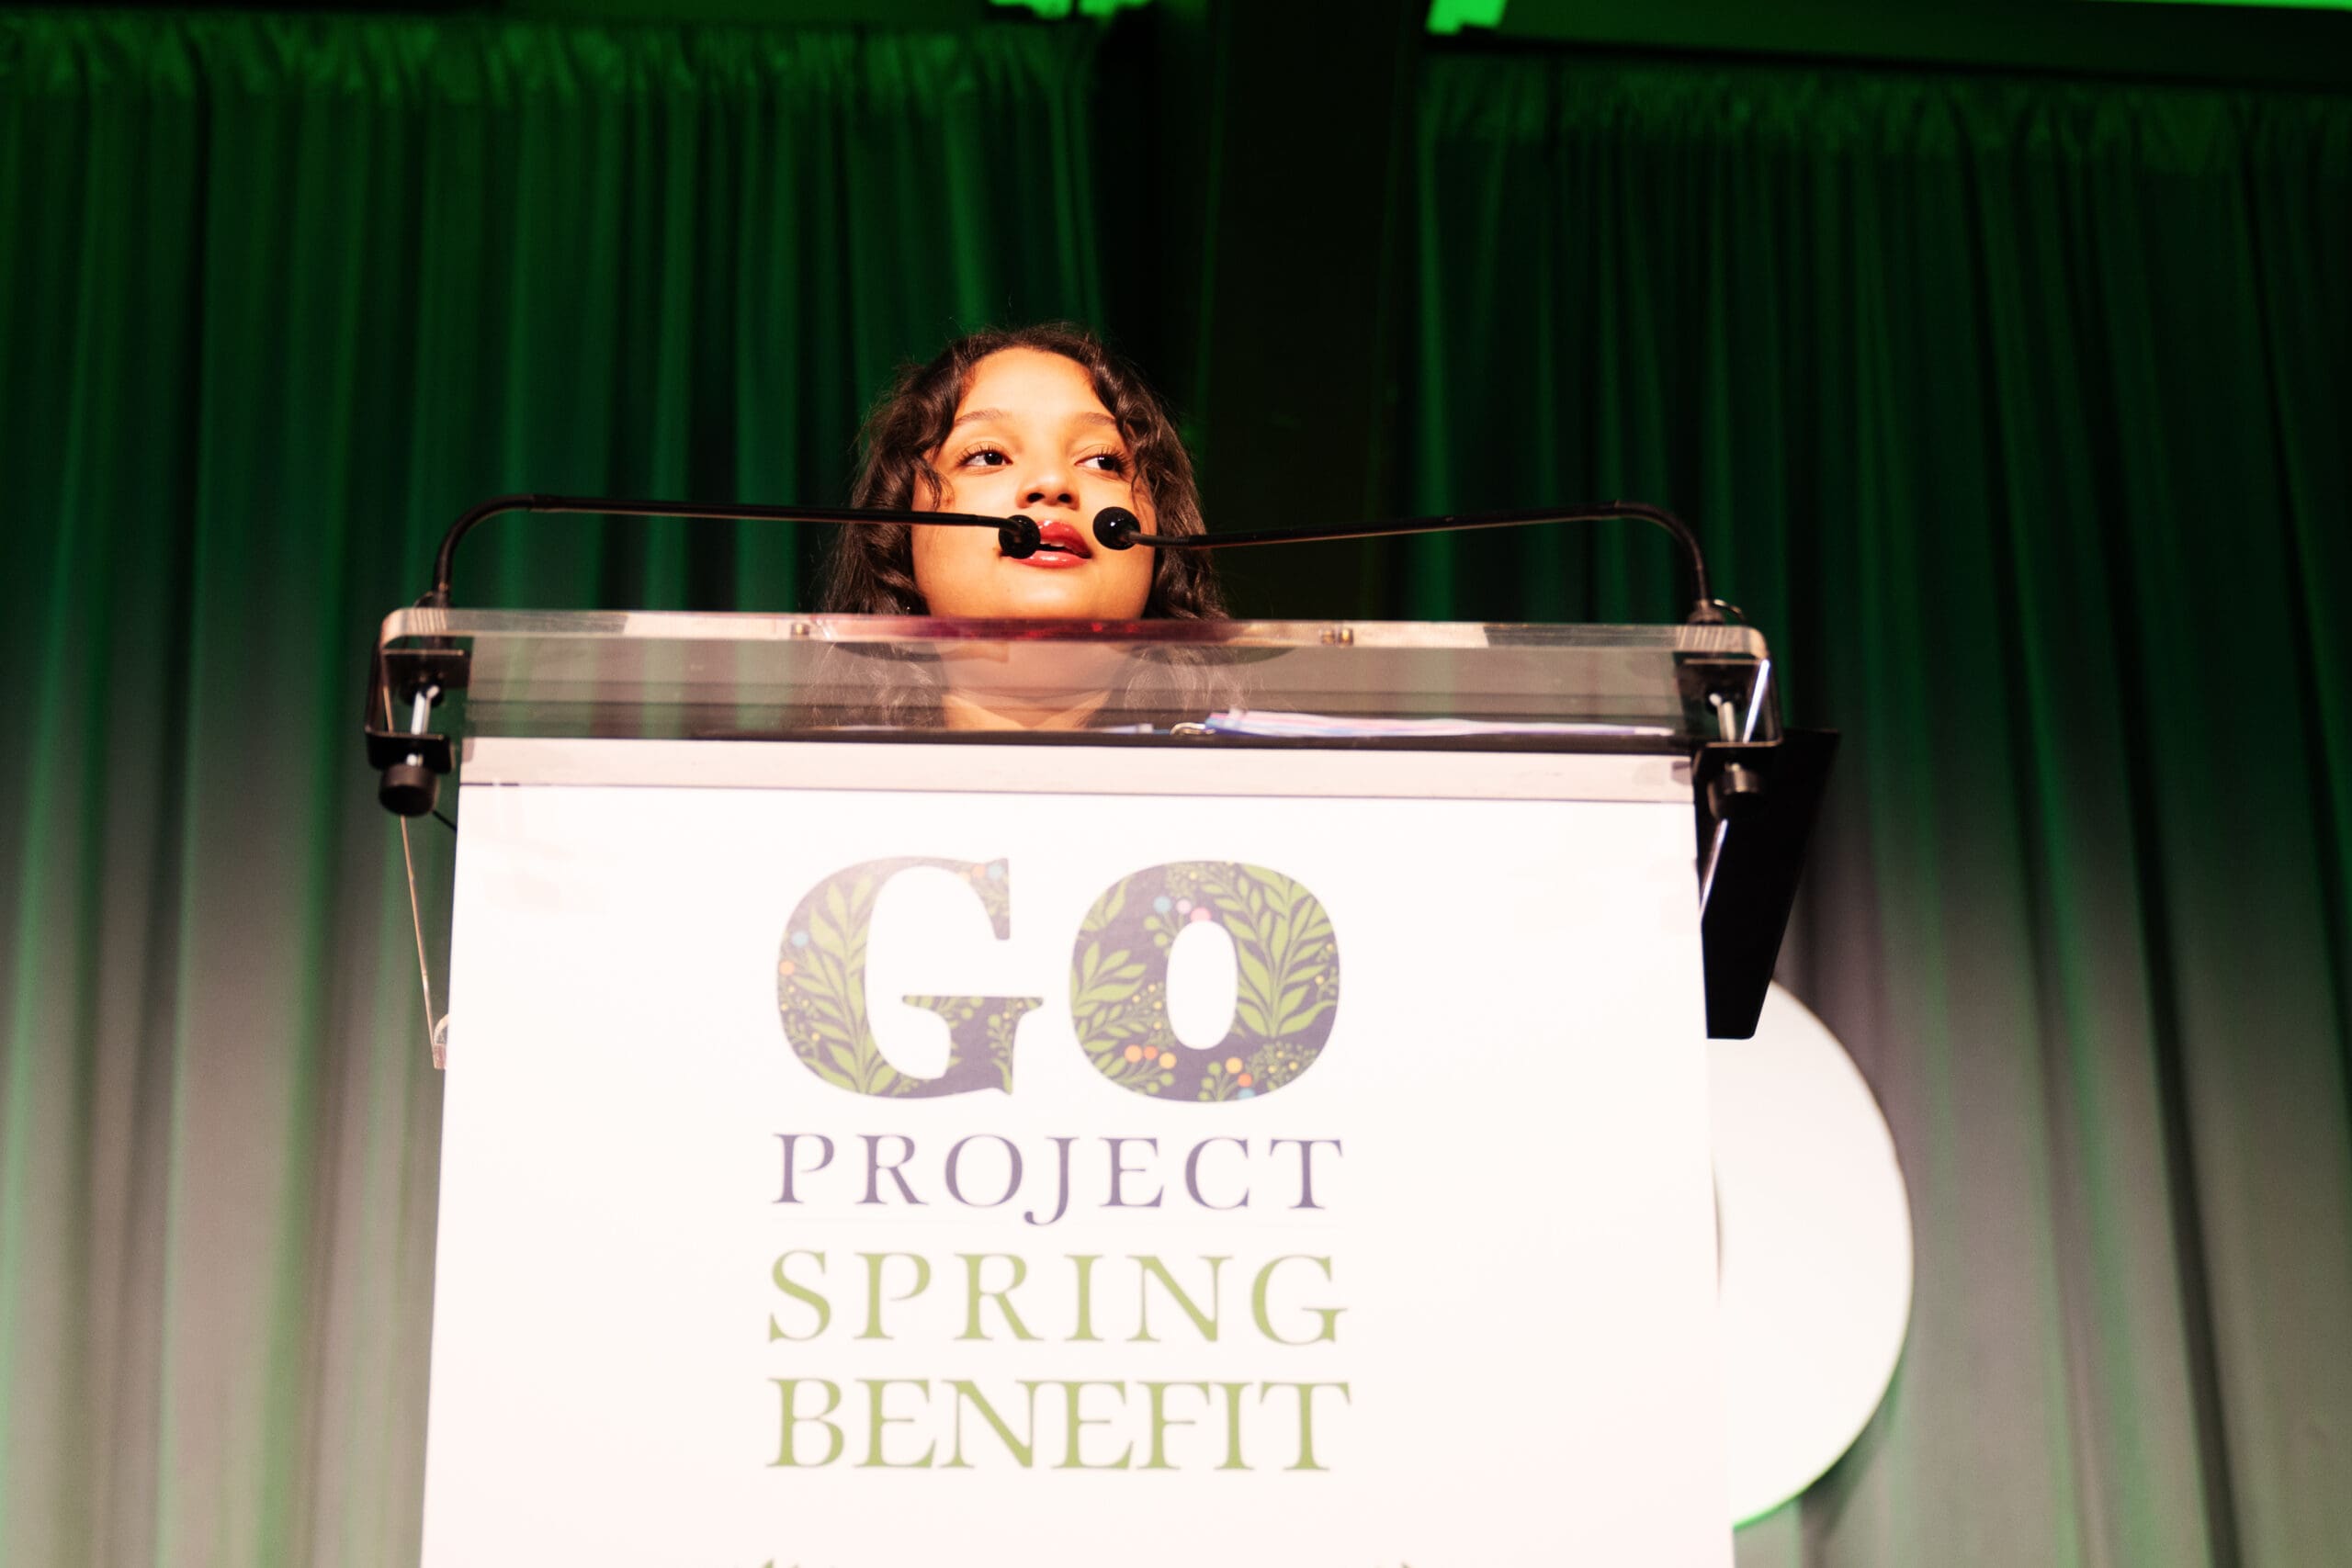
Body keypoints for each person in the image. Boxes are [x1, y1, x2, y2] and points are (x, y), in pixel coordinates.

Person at [814, 323, 1229, 729]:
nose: (1052, 483)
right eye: (989, 456)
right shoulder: (800, 787)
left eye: (1102, 460)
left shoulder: (1256, 786)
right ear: (900, 541)